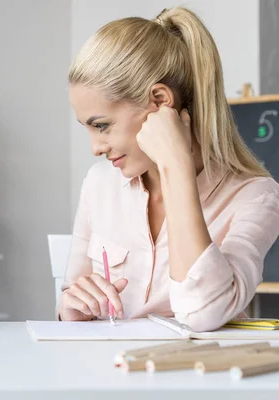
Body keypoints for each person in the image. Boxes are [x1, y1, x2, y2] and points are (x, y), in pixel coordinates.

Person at [59, 6, 279, 332]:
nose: (96, 148)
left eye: (102, 126)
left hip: (202, 374)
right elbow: (70, 301)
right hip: (111, 371)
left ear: (160, 101)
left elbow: (204, 312)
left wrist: (176, 166)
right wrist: (70, 309)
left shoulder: (256, 196)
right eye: (87, 128)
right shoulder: (99, 184)